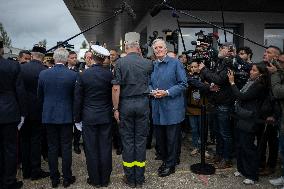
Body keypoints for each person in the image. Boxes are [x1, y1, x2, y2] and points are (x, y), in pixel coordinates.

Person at [112, 32, 153, 188]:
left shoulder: (119, 63)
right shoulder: (148, 63)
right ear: (138, 48)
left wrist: (116, 108)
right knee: (141, 141)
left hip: (126, 105)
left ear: (125, 47)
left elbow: (116, 88)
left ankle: (130, 178)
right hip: (143, 104)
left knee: (128, 141)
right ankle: (140, 178)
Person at [74, 45, 113, 187]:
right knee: (105, 147)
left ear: (92, 57)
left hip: (89, 116)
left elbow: (78, 99)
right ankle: (105, 179)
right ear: (103, 59)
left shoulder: (83, 74)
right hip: (105, 116)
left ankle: (95, 179)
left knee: (91, 148)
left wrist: (77, 119)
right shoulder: (109, 74)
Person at [38, 48, 77, 188]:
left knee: (52, 147)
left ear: (54, 58)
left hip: (49, 115)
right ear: (66, 59)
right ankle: (66, 177)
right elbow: (75, 98)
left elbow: (40, 96)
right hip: (66, 116)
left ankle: (54, 178)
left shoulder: (43, 74)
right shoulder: (72, 75)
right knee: (66, 147)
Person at [150, 39, 187, 177]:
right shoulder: (153, 65)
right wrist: (152, 91)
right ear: (153, 51)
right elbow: (148, 83)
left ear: (165, 49)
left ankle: (170, 165)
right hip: (157, 107)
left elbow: (183, 84)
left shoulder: (175, 63)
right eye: (156, 48)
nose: (158, 49)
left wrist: (167, 92)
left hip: (172, 108)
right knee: (160, 139)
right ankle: (167, 160)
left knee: (172, 139)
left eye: (161, 47)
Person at [228, 63, 269, 185]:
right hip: (242, 116)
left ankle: (252, 175)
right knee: (240, 145)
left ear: (261, 74)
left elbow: (242, 96)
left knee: (248, 147)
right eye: (251, 69)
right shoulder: (250, 82)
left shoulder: (260, 85)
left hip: (251, 119)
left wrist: (232, 82)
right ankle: (242, 170)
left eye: (254, 70)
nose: (251, 72)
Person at [20, 45, 49, 180]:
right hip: (39, 110)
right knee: (36, 140)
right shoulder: (44, 71)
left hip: (24, 110)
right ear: (43, 57)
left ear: (32, 55)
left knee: (24, 140)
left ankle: (26, 170)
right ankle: (35, 170)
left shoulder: (21, 68)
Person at [0, 37, 26, 189]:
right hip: (9, 112)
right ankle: (9, 181)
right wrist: (23, 113)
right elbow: (20, 92)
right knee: (10, 149)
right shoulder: (12, 66)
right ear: (2, 49)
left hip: (8, 111)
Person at [66, 51, 82, 154]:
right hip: (66, 101)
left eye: (75, 57)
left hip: (76, 101)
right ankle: (67, 143)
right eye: (72, 58)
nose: (74, 59)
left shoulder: (79, 71)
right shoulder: (63, 70)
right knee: (67, 125)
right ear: (67, 59)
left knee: (77, 124)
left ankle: (76, 144)